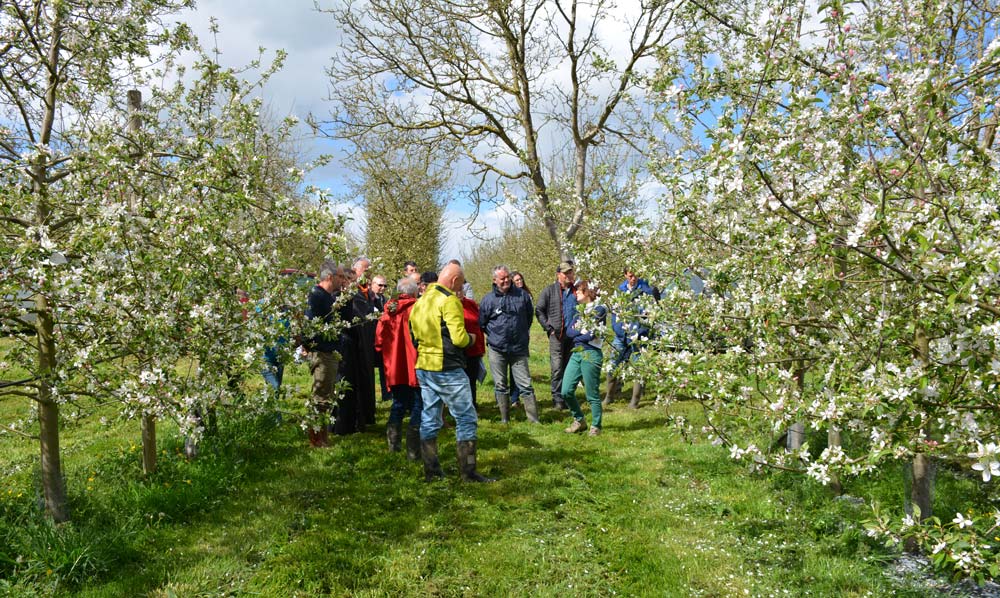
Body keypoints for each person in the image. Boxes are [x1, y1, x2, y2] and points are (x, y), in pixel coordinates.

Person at [409, 263, 495, 482]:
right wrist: (472, 338)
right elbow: (459, 339)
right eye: (462, 282)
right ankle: (468, 471)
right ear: (455, 281)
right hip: (447, 368)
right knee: (466, 418)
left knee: (430, 418)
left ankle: (432, 471)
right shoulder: (449, 301)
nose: (462, 287)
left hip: (425, 366)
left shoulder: (421, 301)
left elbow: (413, 337)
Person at [479, 265, 538, 423]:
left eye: (507, 277)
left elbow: (528, 317)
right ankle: (505, 418)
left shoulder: (522, 296)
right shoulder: (487, 300)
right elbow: (482, 323)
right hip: (497, 349)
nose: (506, 280)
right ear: (494, 280)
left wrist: (521, 333)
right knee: (500, 384)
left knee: (525, 383)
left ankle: (533, 419)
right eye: (502, 278)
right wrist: (495, 336)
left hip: (518, 347)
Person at [303, 261, 350, 447]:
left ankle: (322, 436)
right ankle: (316, 439)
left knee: (326, 396)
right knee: (320, 398)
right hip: (322, 353)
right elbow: (309, 324)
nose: (343, 280)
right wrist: (310, 345)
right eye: (340, 276)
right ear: (329, 277)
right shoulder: (317, 296)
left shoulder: (327, 296)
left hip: (329, 352)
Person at [375, 277, 422, 459]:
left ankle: (393, 445)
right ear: (413, 292)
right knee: (419, 404)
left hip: (394, 365)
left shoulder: (388, 311)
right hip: (414, 363)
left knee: (398, 403)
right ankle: (413, 449)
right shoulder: (417, 308)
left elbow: (378, 341)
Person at [606, 268, 658, 408]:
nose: (633, 278)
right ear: (625, 275)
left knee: (639, 369)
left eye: (635, 275)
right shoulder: (620, 290)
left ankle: (634, 401)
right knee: (612, 364)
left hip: (639, 337)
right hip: (621, 336)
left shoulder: (646, 290)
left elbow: (650, 315)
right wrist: (619, 330)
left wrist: (641, 332)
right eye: (630, 276)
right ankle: (609, 396)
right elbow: (615, 315)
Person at [561, 279, 607, 436]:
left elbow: (590, 336)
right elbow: (569, 332)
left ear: (588, 292)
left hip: (592, 353)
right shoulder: (580, 311)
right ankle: (579, 419)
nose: (576, 294)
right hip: (577, 352)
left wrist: (579, 334)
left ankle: (596, 426)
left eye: (579, 291)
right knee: (566, 390)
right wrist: (580, 334)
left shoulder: (599, 310)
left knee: (591, 393)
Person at [535, 261, 576, 410]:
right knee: (557, 367)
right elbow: (539, 310)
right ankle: (557, 398)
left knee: (569, 367)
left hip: (573, 336)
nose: (569, 276)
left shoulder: (576, 291)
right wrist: (548, 328)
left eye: (570, 273)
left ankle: (568, 396)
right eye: (566, 273)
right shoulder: (549, 290)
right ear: (559, 274)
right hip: (557, 335)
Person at [509, 271, 532, 408]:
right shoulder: (510, 296)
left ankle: (516, 397)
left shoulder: (526, 296)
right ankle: (509, 397)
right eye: (516, 280)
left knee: (519, 368)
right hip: (509, 336)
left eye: (520, 279)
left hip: (522, 336)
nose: (519, 282)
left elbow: (530, 315)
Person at [460, 294, 486, 410]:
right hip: (458, 350)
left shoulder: (471, 304)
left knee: (471, 380)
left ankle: (472, 405)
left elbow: (479, 325)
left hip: (474, 349)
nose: (459, 292)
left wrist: (481, 347)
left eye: (461, 289)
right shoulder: (448, 304)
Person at [371, 274, 392, 403]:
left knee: (384, 369)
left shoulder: (385, 299)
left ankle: (387, 394)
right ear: (373, 284)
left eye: (385, 285)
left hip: (382, 338)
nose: (383, 288)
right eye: (380, 285)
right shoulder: (369, 299)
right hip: (371, 338)